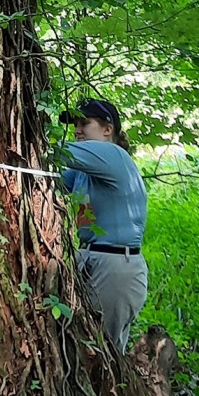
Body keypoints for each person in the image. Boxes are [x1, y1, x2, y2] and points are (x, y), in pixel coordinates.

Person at [59, 98, 148, 353]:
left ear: (107, 129)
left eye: (84, 123)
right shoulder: (85, 171)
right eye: (74, 125)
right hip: (91, 259)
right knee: (80, 349)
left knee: (101, 354)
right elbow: (48, 175)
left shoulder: (113, 155)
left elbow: (54, 153)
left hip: (115, 267)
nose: (77, 130)